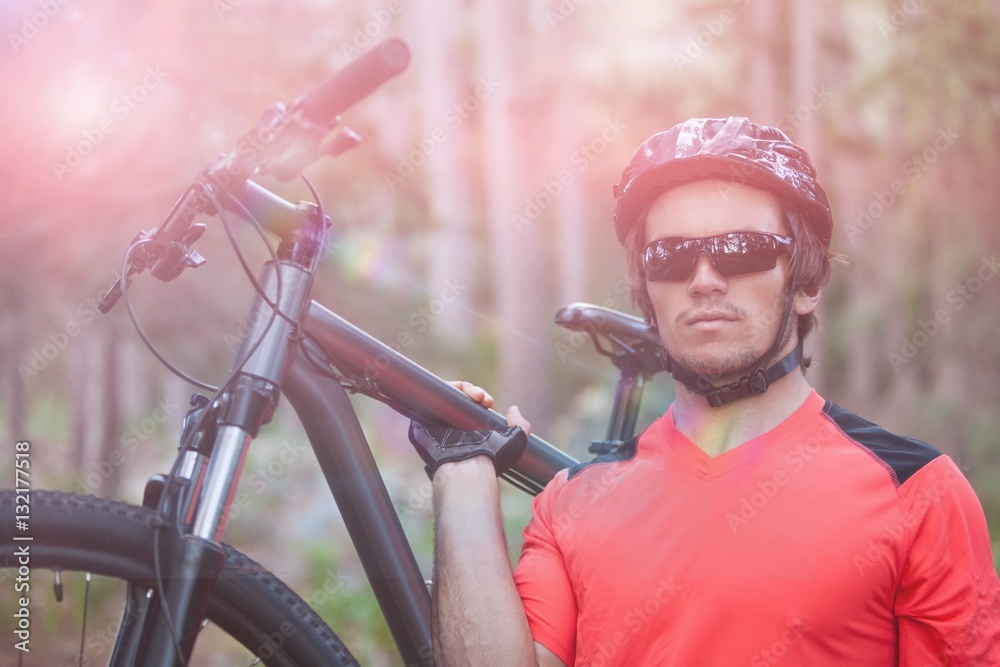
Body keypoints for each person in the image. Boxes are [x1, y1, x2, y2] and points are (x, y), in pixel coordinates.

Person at [410, 117, 1000, 665]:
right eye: (669, 257)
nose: (703, 280)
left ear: (807, 283)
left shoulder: (917, 490)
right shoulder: (571, 501)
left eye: (741, 250)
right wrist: (461, 473)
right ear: (647, 291)